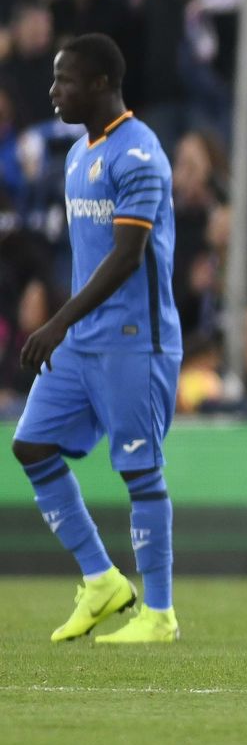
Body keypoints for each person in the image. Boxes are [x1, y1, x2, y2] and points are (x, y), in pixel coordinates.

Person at [10, 34, 183, 645]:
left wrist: (56, 321)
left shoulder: (139, 155)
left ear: (103, 84)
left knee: (140, 470)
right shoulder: (80, 152)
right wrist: (67, 325)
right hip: (82, 342)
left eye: (66, 81)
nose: (55, 91)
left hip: (136, 341)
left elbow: (128, 256)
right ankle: (102, 579)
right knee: (30, 445)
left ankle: (158, 613)